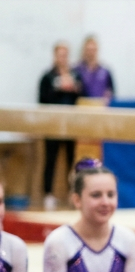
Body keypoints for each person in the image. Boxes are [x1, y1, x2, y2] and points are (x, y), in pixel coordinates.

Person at [38, 42, 83, 210]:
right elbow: (42, 99)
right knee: (51, 160)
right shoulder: (47, 77)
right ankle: (48, 194)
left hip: (71, 125)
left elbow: (83, 96)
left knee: (71, 161)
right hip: (52, 125)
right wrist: (58, 88)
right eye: (60, 55)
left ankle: (73, 194)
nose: (62, 58)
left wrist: (74, 88)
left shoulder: (75, 76)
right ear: (55, 56)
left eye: (65, 55)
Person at [74, 35, 114, 101]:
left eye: (93, 50)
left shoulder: (105, 72)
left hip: (100, 107)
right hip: (82, 107)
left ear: (97, 50)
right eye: (88, 50)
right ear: (84, 50)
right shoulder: (76, 70)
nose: (91, 53)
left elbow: (111, 91)